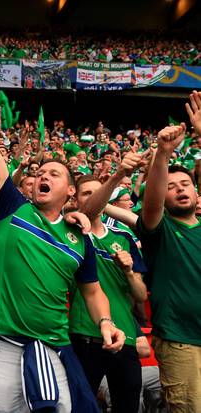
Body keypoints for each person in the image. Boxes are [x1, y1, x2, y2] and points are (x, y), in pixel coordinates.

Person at [0, 47, 125, 413]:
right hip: (4, 344)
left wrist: (105, 322)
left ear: (70, 191)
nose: (42, 176)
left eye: (54, 174)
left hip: (54, 348)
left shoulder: (78, 237)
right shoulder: (12, 209)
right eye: (40, 173)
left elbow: (93, 291)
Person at [136, 93, 201, 413]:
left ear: (196, 190)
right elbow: (151, 203)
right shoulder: (159, 230)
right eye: (171, 185)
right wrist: (162, 155)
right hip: (180, 340)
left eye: (185, 183)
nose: (178, 188)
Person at [71, 174, 148, 412]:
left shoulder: (123, 237)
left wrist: (128, 271)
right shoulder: (69, 234)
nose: (94, 197)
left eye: (99, 192)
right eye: (86, 193)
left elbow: (141, 295)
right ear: (75, 199)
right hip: (83, 337)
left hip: (125, 338)